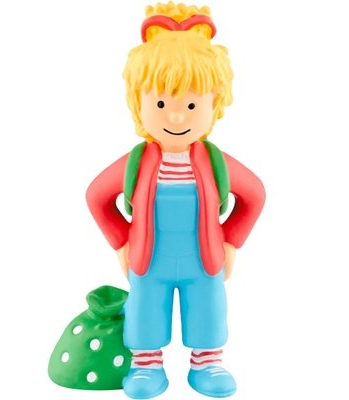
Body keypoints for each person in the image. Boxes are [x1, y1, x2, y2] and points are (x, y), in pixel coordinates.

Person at [86, 2, 265, 398]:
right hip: (149, 259)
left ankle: (207, 363)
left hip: (205, 258)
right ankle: (147, 366)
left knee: (208, 309)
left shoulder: (215, 162)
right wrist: (121, 241)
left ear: (215, 103)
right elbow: (97, 196)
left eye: (192, 104)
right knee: (146, 310)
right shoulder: (137, 162)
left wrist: (232, 240)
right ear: (139, 103)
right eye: (162, 104)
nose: (178, 117)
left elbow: (254, 194)